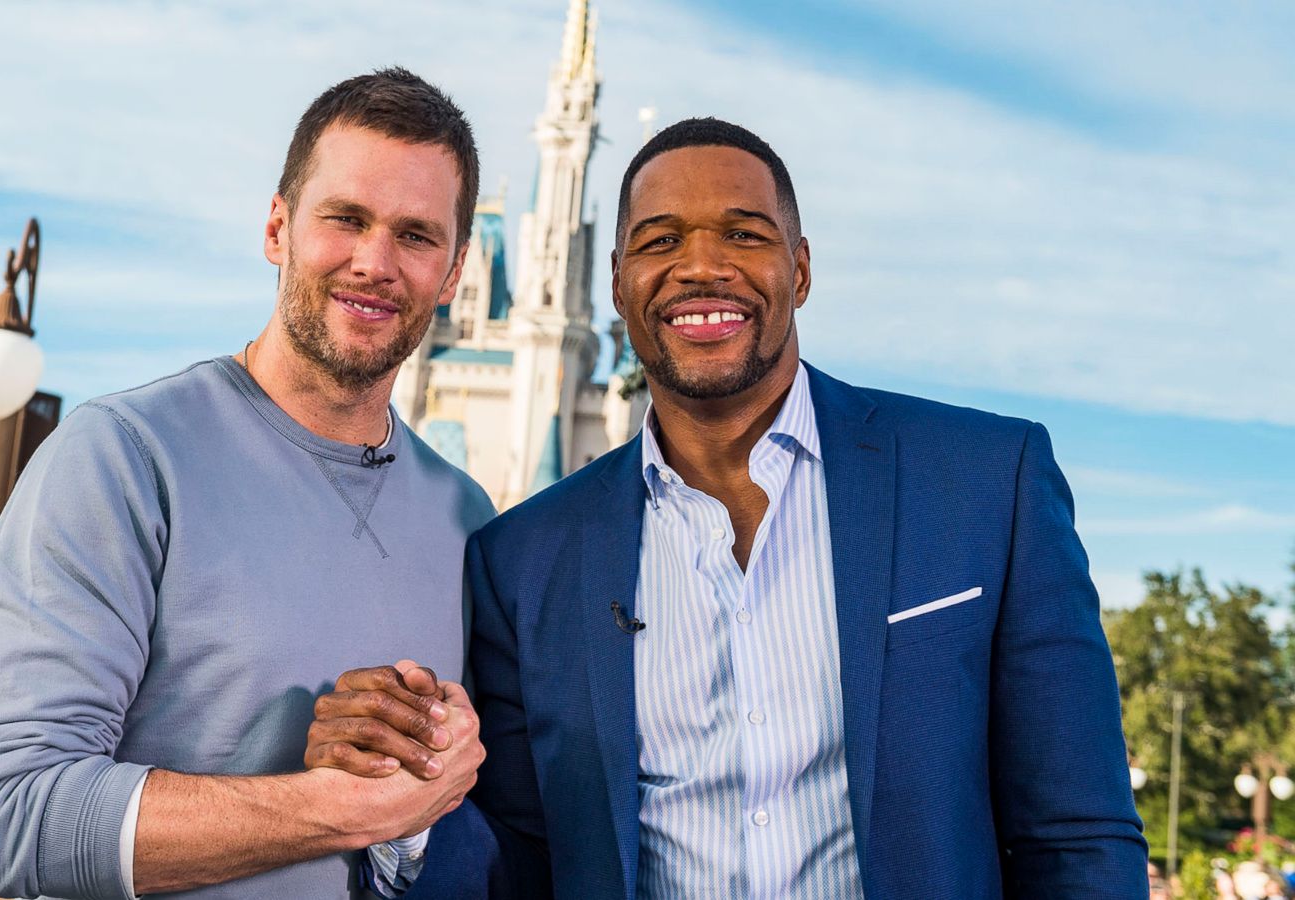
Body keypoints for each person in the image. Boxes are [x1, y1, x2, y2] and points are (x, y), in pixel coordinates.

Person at [307, 117, 1149, 897]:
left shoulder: (983, 483)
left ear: (803, 268)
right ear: (618, 282)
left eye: (743, 234)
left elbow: (1077, 836)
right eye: (660, 239)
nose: (701, 265)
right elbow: (526, 854)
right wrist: (401, 813)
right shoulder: (524, 559)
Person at [0, 66, 494, 900]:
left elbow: (410, 855)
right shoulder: (123, 458)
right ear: (277, 227)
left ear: (453, 275)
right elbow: (7, 815)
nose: (373, 261)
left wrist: (411, 806)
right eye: (344, 218)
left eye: (416, 236)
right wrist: (336, 809)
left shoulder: (466, 515)